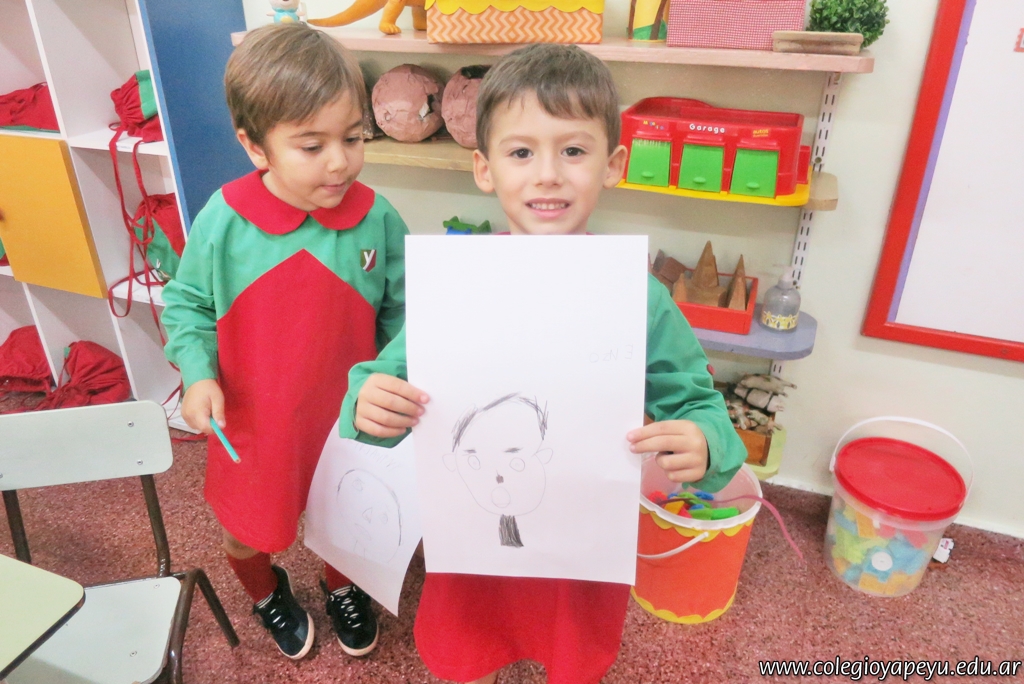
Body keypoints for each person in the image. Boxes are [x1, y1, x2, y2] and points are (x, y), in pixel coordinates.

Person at [337, 43, 748, 684]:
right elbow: (381, 383)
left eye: (574, 150)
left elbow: (698, 403)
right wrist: (368, 403)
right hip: (471, 558)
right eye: (521, 152)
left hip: (580, 561)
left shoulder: (637, 297)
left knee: (571, 657)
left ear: (613, 165)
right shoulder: (458, 287)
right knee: (467, 656)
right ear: (484, 167)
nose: (548, 175)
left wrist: (706, 441)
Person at [161, 23, 408, 661]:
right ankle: (266, 592)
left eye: (353, 137)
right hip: (253, 422)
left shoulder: (378, 217)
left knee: (346, 520)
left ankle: (341, 585)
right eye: (312, 145)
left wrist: (400, 375)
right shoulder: (223, 218)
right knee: (249, 529)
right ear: (255, 146)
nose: (340, 161)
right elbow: (187, 304)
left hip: (347, 419)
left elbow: (406, 313)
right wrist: (197, 372)